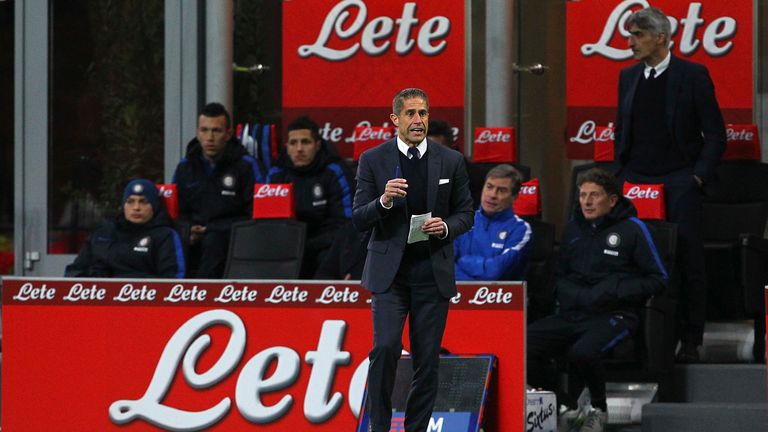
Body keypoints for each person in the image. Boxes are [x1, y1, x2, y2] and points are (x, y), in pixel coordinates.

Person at [353, 88, 474, 432]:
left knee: (427, 361)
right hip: (390, 274)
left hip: (431, 271)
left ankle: (416, 429)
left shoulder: (450, 160)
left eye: (423, 113)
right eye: (410, 114)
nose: (418, 120)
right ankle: (379, 427)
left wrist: (445, 226)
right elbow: (359, 217)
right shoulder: (372, 159)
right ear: (395, 119)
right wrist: (384, 201)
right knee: (386, 348)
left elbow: (467, 213)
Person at [614, 7, 726, 362]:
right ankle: (630, 338)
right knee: (630, 259)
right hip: (636, 180)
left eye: (638, 36)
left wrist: (696, 176)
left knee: (688, 258)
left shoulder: (692, 75)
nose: (630, 43)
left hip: (679, 179)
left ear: (660, 37)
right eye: (630, 35)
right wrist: (621, 174)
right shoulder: (628, 77)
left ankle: (691, 338)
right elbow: (623, 129)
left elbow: (716, 134)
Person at [527, 168, 667, 432]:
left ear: (612, 200)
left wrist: (615, 289)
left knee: (583, 352)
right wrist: (572, 294)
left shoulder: (634, 229)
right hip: (572, 313)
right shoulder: (572, 230)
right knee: (523, 346)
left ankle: (599, 410)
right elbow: (558, 276)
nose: (587, 201)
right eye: (582, 195)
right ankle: (565, 403)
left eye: (594, 195)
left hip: (615, 314)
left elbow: (658, 279)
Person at [172, 102, 262, 278]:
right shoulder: (185, 167)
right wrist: (188, 230)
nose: (210, 138)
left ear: (228, 134)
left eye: (216, 131)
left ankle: (202, 295)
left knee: (214, 240)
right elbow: (176, 212)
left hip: (231, 237)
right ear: (197, 133)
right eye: (204, 130)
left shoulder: (247, 166)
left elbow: (257, 216)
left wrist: (214, 228)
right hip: (194, 237)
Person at [266, 116, 354, 278]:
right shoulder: (276, 175)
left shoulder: (335, 171)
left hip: (325, 244)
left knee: (331, 255)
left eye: (305, 142)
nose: (299, 149)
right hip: (288, 243)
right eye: (293, 143)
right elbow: (266, 221)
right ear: (287, 147)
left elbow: (346, 222)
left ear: (317, 145)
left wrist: (309, 244)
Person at [65, 179, 185, 278]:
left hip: (143, 302)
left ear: (155, 206)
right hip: (98, 300)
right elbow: (75, 271)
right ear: (123, 205)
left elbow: (172, 282)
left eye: (143, 202)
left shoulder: (164, 235)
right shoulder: (103, 232)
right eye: (130, 201)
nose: (136, 207)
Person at [454, 164, 532, 281]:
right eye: (489, 187)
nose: (492, 195)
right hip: (458, 296)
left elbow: (495, 272)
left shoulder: (520, 229)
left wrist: (463, 261)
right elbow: (444, 267)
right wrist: (470, 286)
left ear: (514, 197)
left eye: (501, 190)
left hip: (501, 297)